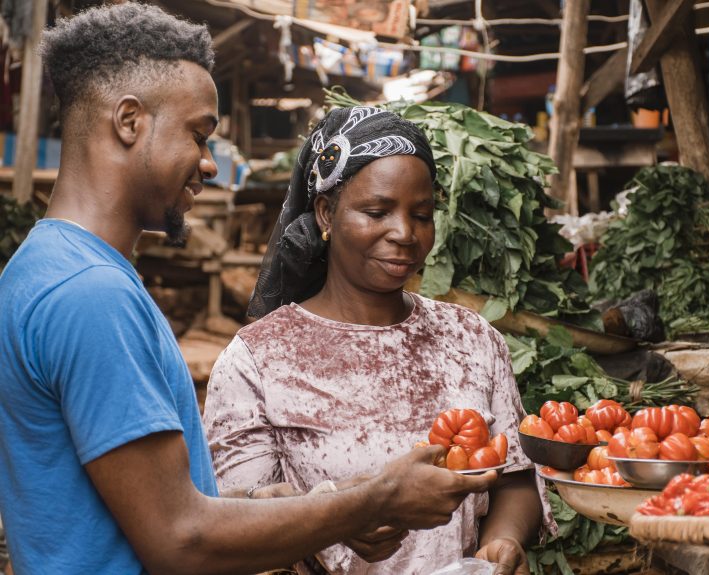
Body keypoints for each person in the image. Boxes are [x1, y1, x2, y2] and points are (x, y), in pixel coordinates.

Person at [0, 4, 498, 574]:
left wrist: (303, 506)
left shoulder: (39, 268)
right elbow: (181, 540)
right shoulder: (91, 297)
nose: (209, 165)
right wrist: (373, 501)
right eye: (199, 135)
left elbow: (132, 507)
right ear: (130, 121)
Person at [203, 106, 556, 575]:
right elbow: (241, 526)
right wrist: (338, 519)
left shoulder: (471, 338)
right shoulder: (258, 359)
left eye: (423, 214)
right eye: (377, 212)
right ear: (326, 213)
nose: (405, 233)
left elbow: (513, 477)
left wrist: (502, 540)